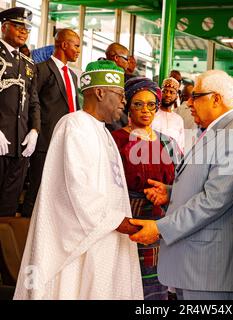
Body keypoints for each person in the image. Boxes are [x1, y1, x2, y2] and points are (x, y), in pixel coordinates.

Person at [128, 70, 233, 300]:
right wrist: (171, 193)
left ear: (216, 99)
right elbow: (210, 186)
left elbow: (213, 201)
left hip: (212, 271)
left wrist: (160, 228)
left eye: (195, 96)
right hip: (197, 267)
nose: (188, 102)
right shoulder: (217, 131)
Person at [14, 60, 143, 300]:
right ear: (100, 92)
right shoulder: (74, 125)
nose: (124, 101)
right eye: (119, 94)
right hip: (83, 240)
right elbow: (78, 190)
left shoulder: (102, 131)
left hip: (106, 234)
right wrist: (121, 221)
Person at [111, 77, 180, 300]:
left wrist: (167, 192)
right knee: (125, 282)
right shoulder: (116, 140)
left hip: (159, 223)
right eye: (138, 104)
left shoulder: (168, 142)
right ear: (128, 106)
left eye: (151, 105)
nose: (145, 110)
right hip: (125, 222)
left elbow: (181, 181)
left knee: (156, 286)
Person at [22, 28, 81, 217]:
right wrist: (34, 131)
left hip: (67, 141)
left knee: (59, 191)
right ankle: (23, 232)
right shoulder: (41, 69)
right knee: (37, 189)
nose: (79, 50)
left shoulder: (72, 76)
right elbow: (32, 103)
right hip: (44, 141)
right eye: (77, 45)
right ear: (64, 44)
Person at [0, 7, 40, 216]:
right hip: (1, 138)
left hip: (20, 144)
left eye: (27, 28)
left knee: (9, 203)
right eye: (18, 26)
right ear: (4, 27)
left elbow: (34, 102)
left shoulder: (28, 64)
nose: (24, 31)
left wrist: (34, 130)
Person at [105, 42, 136, 131]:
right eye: (127, 59)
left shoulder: (96, 74)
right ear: (116, 58)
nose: (129, 62)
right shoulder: (122, 80)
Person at [152, 77, 185, 153]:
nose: (167, 95)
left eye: (172, 92)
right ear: (160, 93)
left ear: (176, 96)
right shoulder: (152, 114)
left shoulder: (178, 120)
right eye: (165, 91)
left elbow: (181, 146)